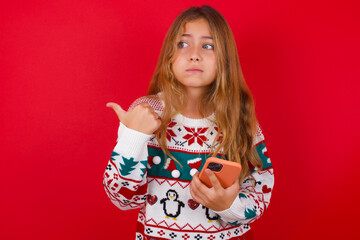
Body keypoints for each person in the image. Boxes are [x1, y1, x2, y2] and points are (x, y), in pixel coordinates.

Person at [103, 5, 274, 240]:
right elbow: (122, 199)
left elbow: (260, 190)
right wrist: (133, 137)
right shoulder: (146, 113)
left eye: (208, 45)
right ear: (169, 56)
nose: (194, 54)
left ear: (224, 59)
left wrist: (228, 205)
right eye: (183, 44)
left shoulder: (241, 121)